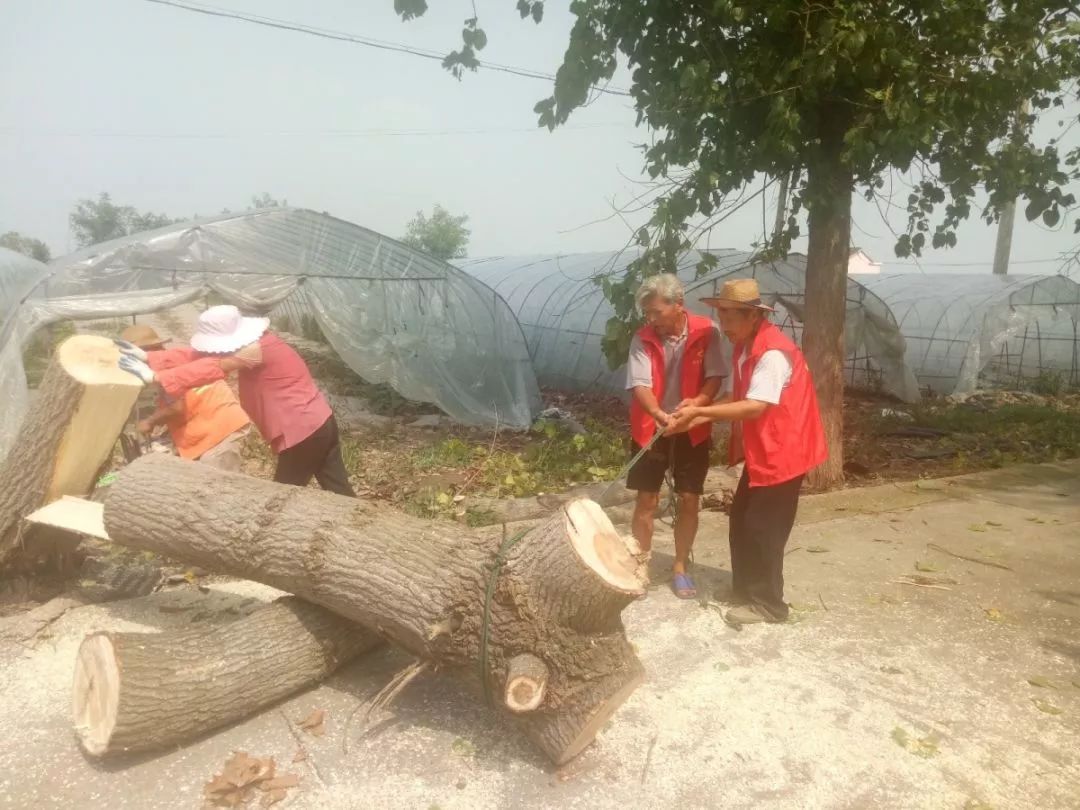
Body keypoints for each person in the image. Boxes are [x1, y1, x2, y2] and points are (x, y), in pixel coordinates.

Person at [666, 278, 827, 626]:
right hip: (764, 449)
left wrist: (700, 414)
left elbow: (755, 406)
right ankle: (745, 590)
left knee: (764, 528)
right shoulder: (744, 348)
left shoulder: (772, 354)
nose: (723, 324)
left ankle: (769, 604)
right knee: (741, 519)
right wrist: (698, 405)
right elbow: (738, 396)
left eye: (730, 316)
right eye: (721, 315)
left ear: (753, 316)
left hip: (784, 450)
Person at [116, 305, 356, 497]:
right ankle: (359, 528)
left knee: (281, 498)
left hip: (302, 429)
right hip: (319, 422)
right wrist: (150, 357)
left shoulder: (254, 350)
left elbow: (213, 367)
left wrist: (158, 376)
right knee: (338, 489)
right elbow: (197, 355)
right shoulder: (257, 342)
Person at [626, 273, 728, 599]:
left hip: (692, 428)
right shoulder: (642, 338)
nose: (651, 319)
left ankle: (680, 567)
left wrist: (697, 404)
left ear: (678, 304)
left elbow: (715, 377)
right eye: (647, 313)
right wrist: (659, 415)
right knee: (647, 500)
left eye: (656, 312)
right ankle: (640, 565)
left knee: (689, 499)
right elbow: (640, 385)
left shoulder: (707, 331)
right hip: (651, 428)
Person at [118, 324, 251, 472]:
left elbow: (177, 407)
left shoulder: (165, 368)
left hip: (218, 428)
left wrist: (150, 421)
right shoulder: (173, 360)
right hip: (214, 423)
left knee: (216, 478)